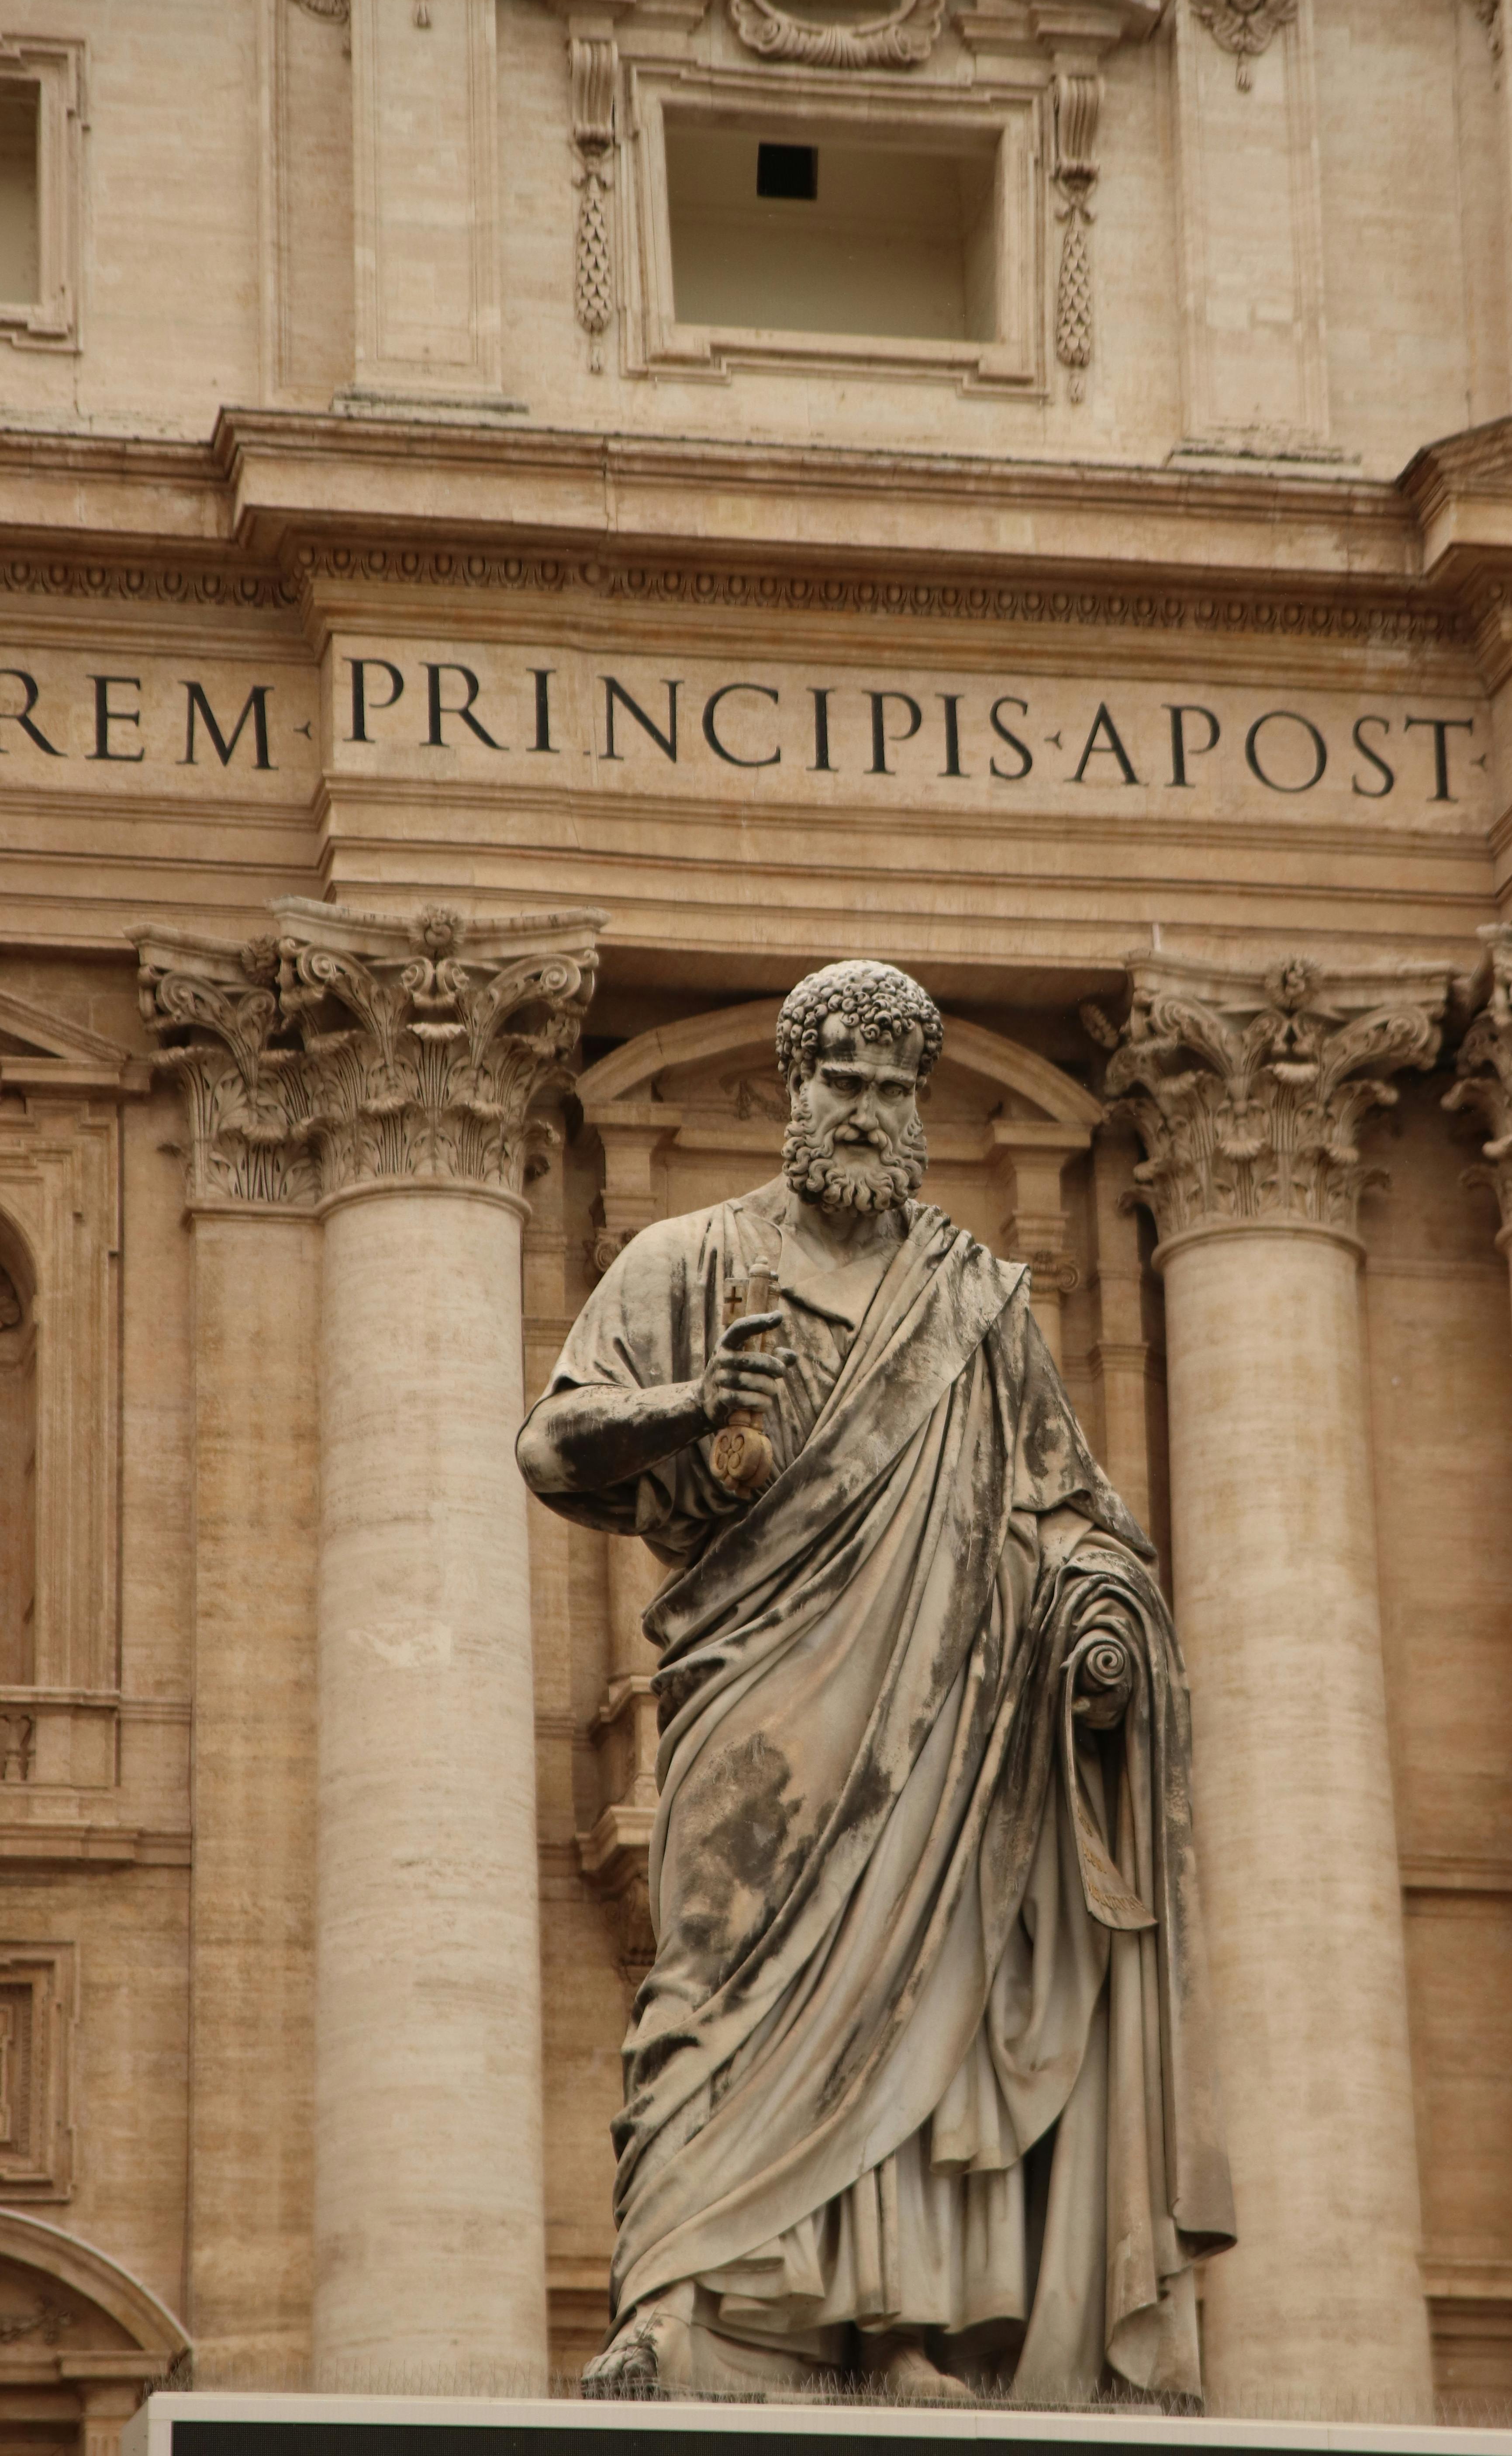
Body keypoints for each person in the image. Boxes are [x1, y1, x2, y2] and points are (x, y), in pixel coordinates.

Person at [517, 960, 1233, 2401]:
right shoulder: (689, 1262)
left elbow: (1069, 1508)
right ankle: (680, 2302)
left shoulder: (977, 1302)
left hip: (946, 1719)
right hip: (759, 1697)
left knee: (927, 1999)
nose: (868, 1109)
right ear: (797, 1090)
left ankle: (909, 2326)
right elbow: (552, 1449)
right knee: (708, 1979)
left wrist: (1101, 1629)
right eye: (844, 1080)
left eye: (895, 1089)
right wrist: (693, 1405)